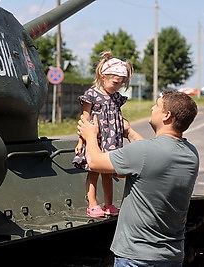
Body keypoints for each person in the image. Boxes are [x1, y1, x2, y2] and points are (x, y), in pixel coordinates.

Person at [77, 89, 199, 266]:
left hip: (137, 256)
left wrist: (90, 136)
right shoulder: (191, 153)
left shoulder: (143, 152)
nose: (152, 107)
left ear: (166, 115)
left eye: (156, 105)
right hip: (172, 255)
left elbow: (95, 162)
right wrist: (130, 132)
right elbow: (152, 155)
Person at [72, 51, 133, 217]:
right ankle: (92, 204)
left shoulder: (116, 97)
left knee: (108, 173)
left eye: (120, 84)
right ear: (102, 75)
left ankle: (109, 205)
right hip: (95, 140)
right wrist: (80, 141)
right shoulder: (92, 95)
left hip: (111, 141)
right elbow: (85, 119)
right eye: (114, 82)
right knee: (93, 173)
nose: (116, 87)